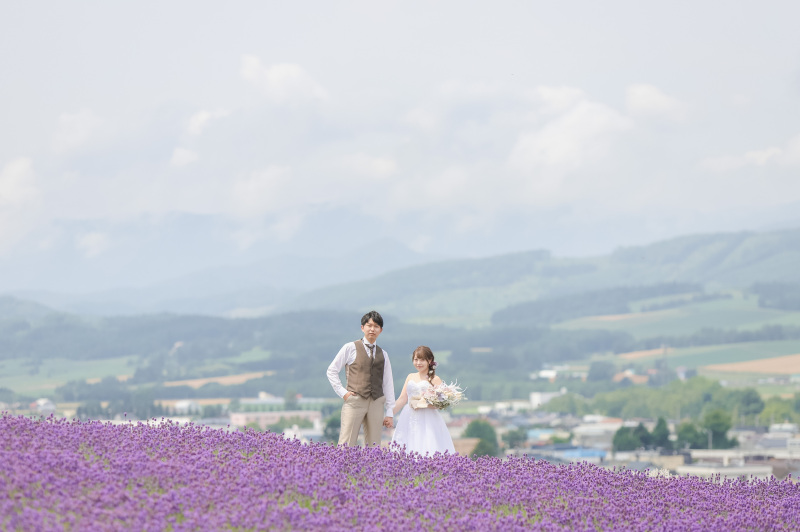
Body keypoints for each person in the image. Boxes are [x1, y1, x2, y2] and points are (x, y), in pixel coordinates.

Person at [326, 310, 395, 446]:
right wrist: (343, 393)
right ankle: (342, 468)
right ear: (362, 327)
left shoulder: (384, 354)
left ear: (380, 330)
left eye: (376, 326)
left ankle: (373, 468)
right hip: (355, 400)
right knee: (347, 443)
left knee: (374, 446)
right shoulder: (350, 348)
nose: (372, 329)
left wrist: (390, 412)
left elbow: (388, 383)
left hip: (376, 402)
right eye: (369, 325)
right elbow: (331, 371)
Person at [391, 346, 455, 455]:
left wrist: (424, 403)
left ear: (429, 361)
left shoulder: (435, 379)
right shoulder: (410, 377)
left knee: (427, 446)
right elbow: (402, 399)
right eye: (416, 359)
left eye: (422, 360)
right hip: (409, 416)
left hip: (428, 418)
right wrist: (389, 414)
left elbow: (440, 404)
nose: (418, 363)